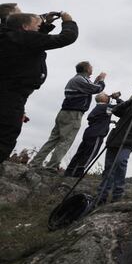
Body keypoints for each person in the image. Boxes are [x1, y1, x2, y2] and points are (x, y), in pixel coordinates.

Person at [0, 12, 78, 164]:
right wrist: (69, 21)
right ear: (25, 27)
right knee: (4, 140)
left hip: (10, 94)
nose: (39, 27)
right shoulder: (23, 38)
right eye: (37, 25)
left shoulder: (9, 37)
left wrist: (45, 23)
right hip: (12, 97)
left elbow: (32, 40)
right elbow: (66, 38)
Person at [30, 61, 107, 170]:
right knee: (66, 141)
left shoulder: (77, 80)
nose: (92, 69)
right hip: (73, 114)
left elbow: (89, 89)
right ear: (87, 69)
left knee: (53, 139)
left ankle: (35, 163)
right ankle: (51, 167)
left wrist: (96, 81)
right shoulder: (80, 80)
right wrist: (102, 80)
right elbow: (96, 89)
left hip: (64, 113)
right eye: (91, 67)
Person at [64, 92, 123, 177]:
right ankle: (78, 173)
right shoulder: (106, 107)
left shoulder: (98, 107)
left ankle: (69, 171)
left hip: (89, 133)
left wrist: (109, 121)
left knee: (81, 152)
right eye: (106, 95)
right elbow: (122, 106)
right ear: (103, 99)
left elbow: (100, 117)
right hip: (97, 134)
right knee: (91, 153)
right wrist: (117, 98)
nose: (108, 96)